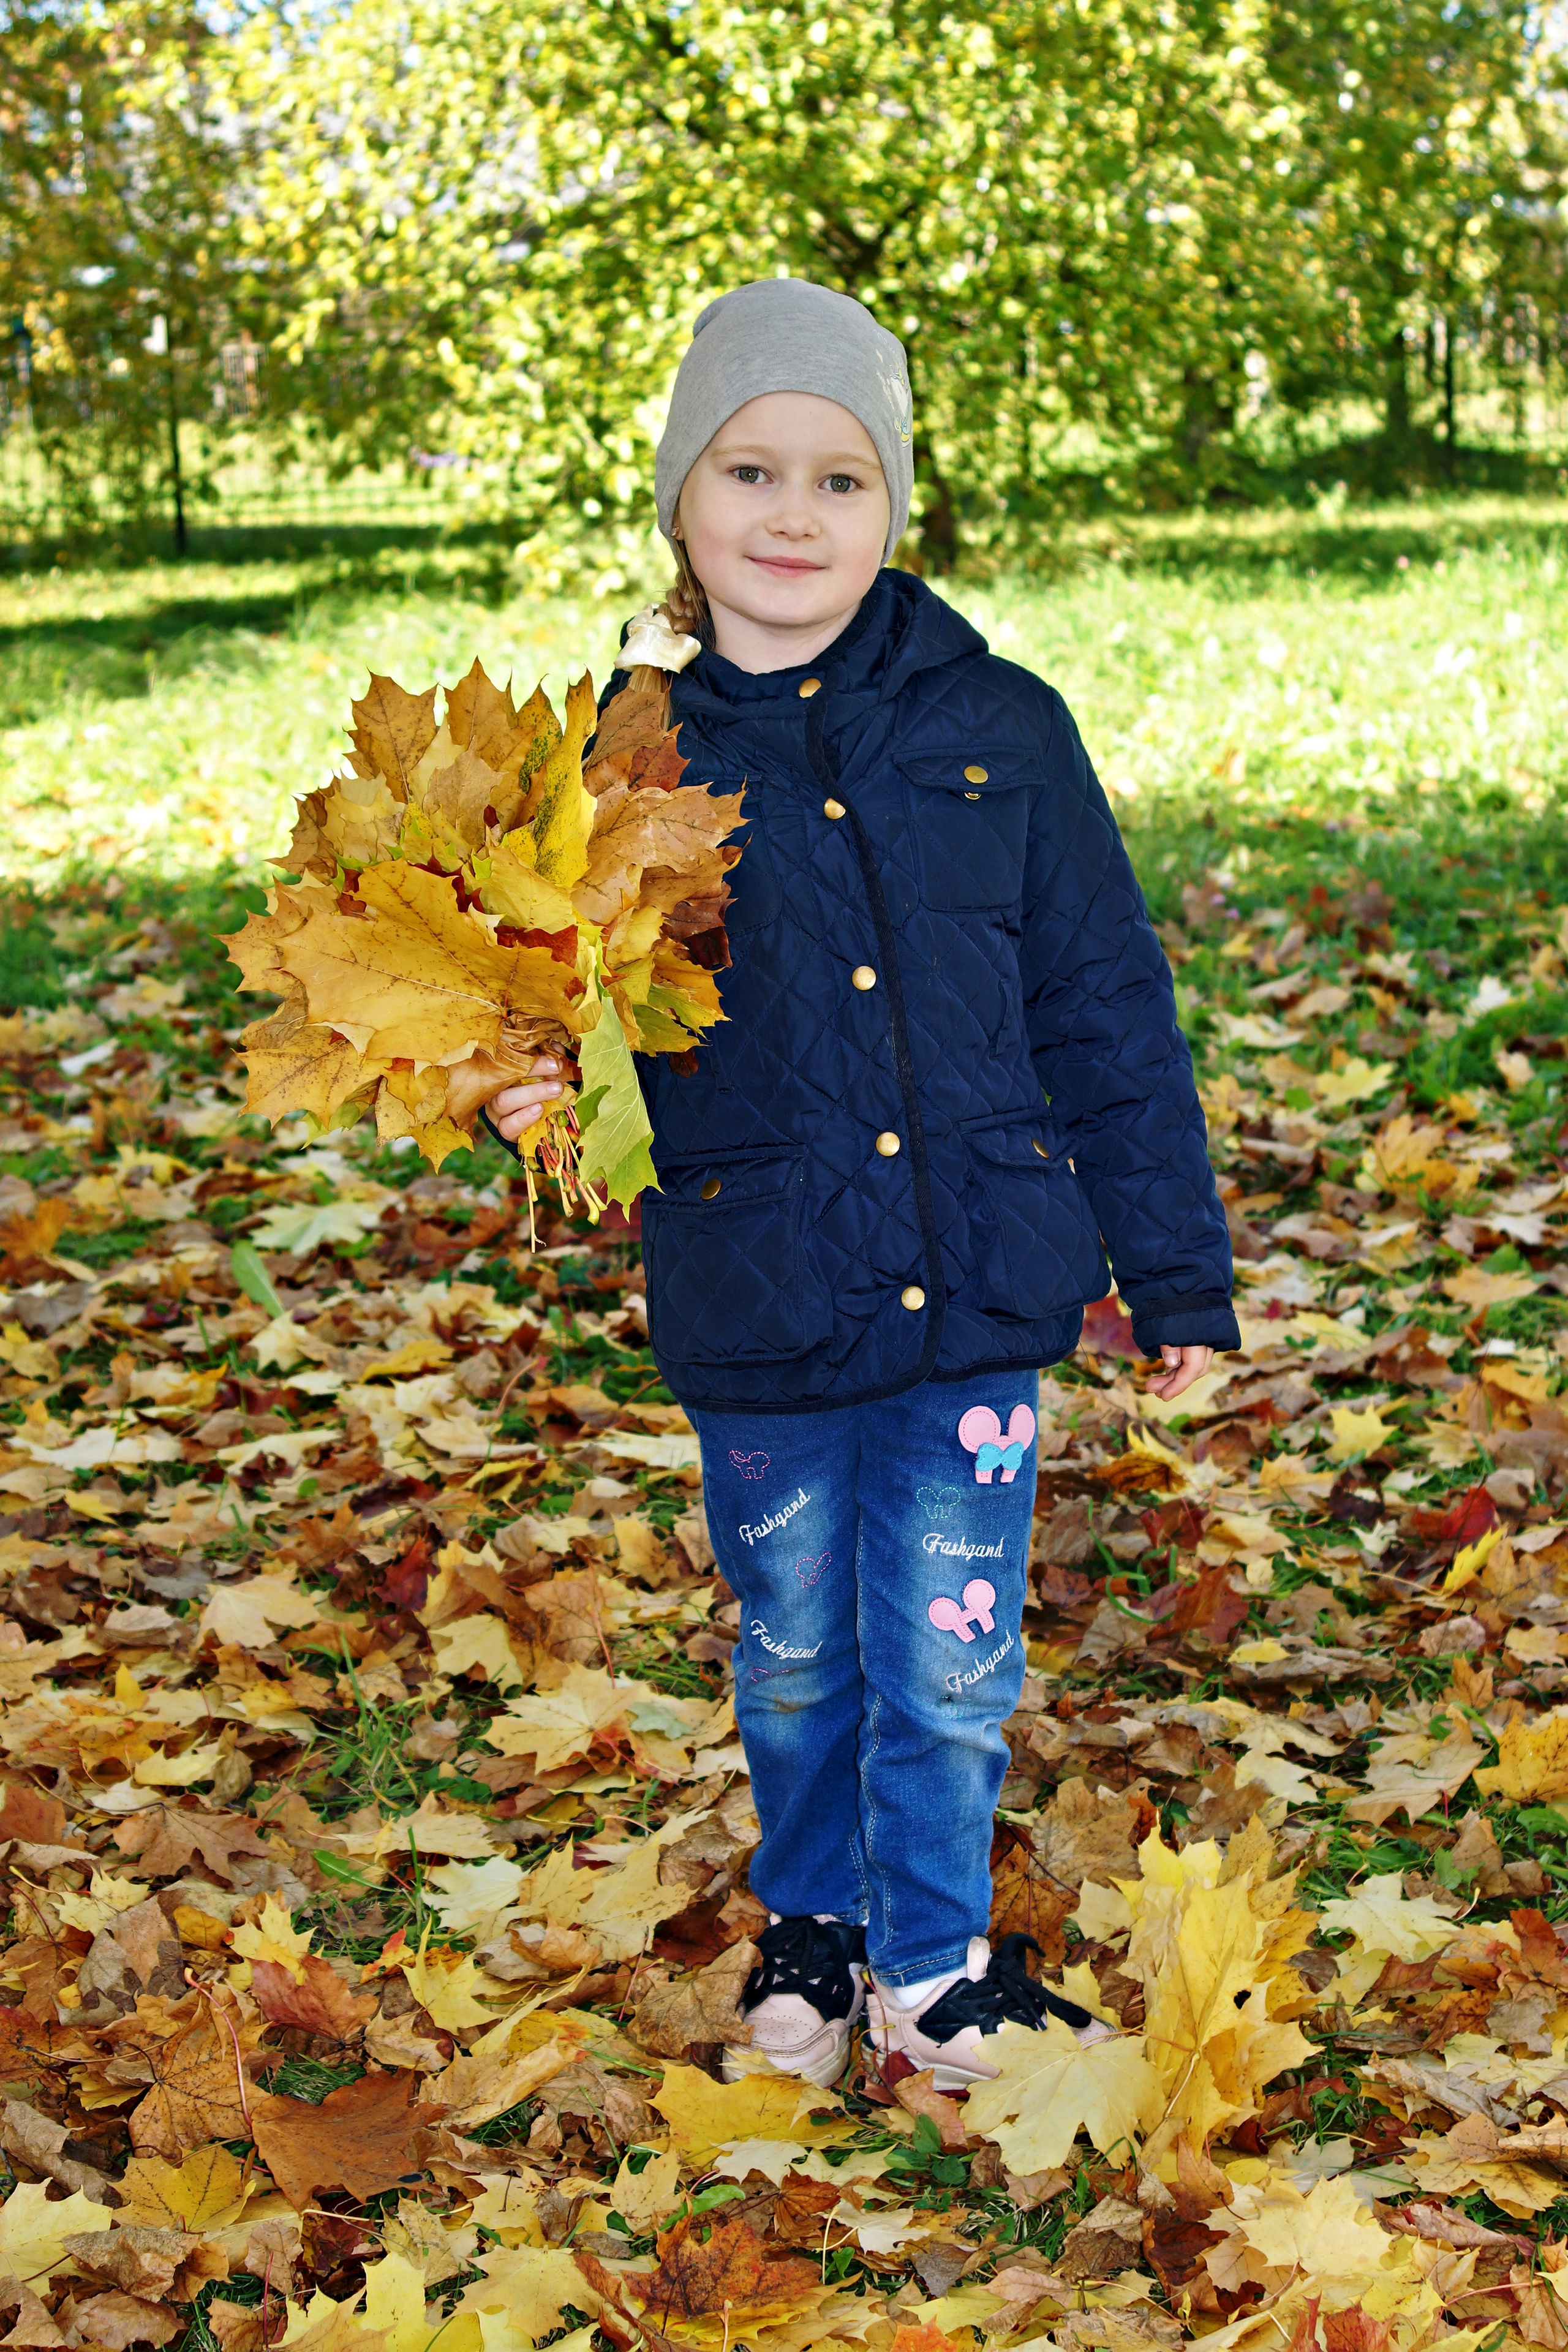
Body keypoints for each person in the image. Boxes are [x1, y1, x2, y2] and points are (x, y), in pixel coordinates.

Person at [484, 279, 1239, 2092]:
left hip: (980, 1281)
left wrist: (1177, 1271)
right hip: (764, 1291)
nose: (794, 515)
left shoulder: (1005, 726)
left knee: (954, 1651)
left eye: (842, 479)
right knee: (801, 1650)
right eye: (749, 470)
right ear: (681, 500)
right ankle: (813, 1932)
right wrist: (527, 1090)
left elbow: (1105, 1003)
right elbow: (544, 1015)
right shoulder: (618, 767)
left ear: (894, 505)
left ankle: (933, 1963)